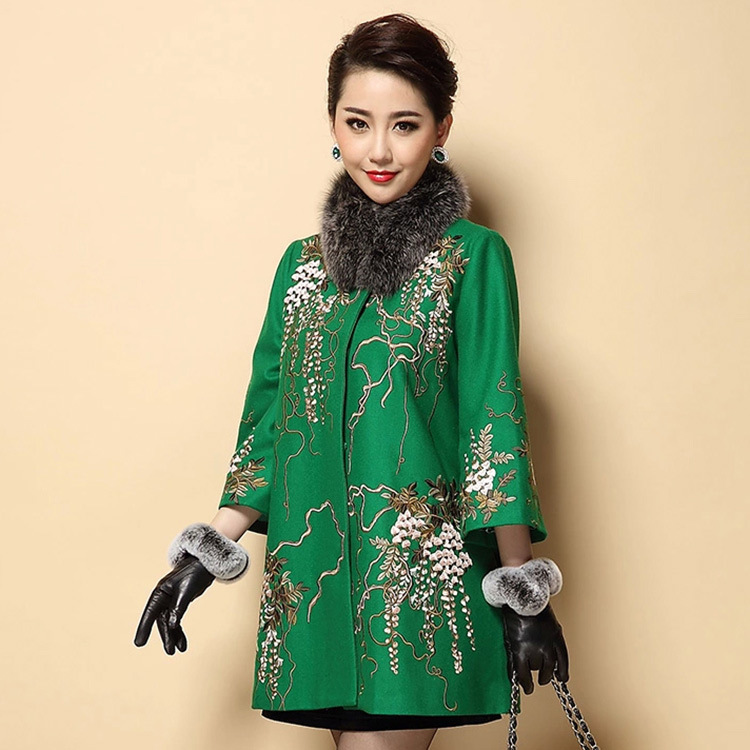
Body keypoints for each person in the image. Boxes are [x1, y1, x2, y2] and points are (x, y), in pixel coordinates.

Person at [135, 13, 569, 750]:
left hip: (415, 586)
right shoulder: (301, 266)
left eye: (405, 125)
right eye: (358, 122)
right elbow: (271, 423)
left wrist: (522, 590)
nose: (378, 150)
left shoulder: (472, 258)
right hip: (314, 592)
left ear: (441, 129)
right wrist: (204, 555)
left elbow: (492, 419)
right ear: (333, 125)